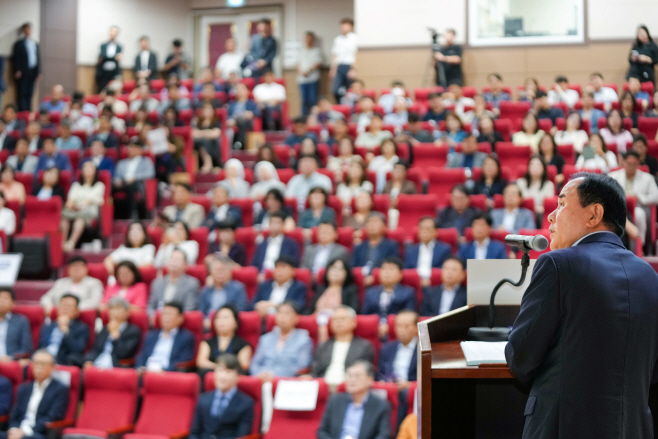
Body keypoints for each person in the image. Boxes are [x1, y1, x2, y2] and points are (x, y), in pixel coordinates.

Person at [508, 173, 658, 438]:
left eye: (562, 204)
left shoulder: (557, 264)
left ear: (594, 214)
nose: (551, 216)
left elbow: (521, 358)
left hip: (562, 428)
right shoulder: (649, 276)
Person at [3, 350, 69, 439]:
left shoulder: (60, 389)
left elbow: (52, 417)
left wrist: (24, 432)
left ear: (53, 367)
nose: (39, 367)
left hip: (38, 433)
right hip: (17, 431)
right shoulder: (24, 388)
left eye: (44, 364)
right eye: (36, 363)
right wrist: (14, 429)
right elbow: (15, 415)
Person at [317, 361, 392, 439]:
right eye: (349, 376)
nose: (352, 380)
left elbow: (384, 435)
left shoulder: (381, 406)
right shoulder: (335, 401)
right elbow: (322, 431)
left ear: (370, 380)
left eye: (357, 376)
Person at [190, 354, 255, 439]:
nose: (222, 376)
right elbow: (194, 432)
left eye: (228, 371)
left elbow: (241, 435)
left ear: (238, 377)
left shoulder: (246, 403)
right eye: (220, 370)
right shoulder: (203, 399)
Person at [309, 305, 374, 386]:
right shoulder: (323, 346)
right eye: (335, 319)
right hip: (323, 386)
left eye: (343, 319)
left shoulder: (364, 346)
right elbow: (315, 371)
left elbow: (364, 372)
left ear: (354, 322)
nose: (338, 322)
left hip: (349, 386)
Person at [249, 301, 313, 379]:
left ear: (296, 318)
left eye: (287, 313)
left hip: (286, 381)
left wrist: (273, 375)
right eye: (279, 312)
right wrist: (259, 374)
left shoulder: (304, 341)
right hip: (261, 379)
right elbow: (255, 363)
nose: (282, 316)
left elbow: (301, 366)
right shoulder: (265, 339)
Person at [610, 150, 658, 245]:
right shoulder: (613, 177)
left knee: (639, 214)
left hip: (639, 206)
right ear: (623, 162)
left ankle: (640, 244)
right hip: (619, 208)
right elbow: (608, 195)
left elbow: (656, 197)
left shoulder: (648, 178)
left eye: (634, 164)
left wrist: (639, 198)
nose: (631, 166)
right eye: (629, 163)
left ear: (639, 164)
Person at [362, 257, 416, 337]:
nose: (386, 272)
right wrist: (376, 326)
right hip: (375, 331)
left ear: (400, 274)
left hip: (398, 331)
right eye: (383, 269)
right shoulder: (370, 292)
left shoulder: (408, 292)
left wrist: (390, 326)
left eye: (391, 269)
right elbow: (366, 316)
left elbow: (409, 316)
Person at [83, 297, 141, 368]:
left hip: (115, 365)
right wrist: (89, 360)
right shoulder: (104, 329)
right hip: (97, 362)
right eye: (111, 309)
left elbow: (123, 353)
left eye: (118, 308)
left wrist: (115, 335)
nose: (114, 312)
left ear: (127, 313)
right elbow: (95, 349)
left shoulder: (133, 331)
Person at [136, 302, 195, 372]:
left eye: (170, 314)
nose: (166, 317)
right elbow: (142, 357)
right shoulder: (151, 336)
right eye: (164, 314)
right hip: (146, 373)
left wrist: (163, 370)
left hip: (168, 374)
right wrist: (139, 368)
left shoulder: (186, 337)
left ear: (180, 318)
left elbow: (183, 362)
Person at [60, 162, 105, 252]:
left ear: (95, 171)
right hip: (74, 210)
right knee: (64, 218)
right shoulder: (76, 185)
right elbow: (70, 201)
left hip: (88, 212)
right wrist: (72, 205)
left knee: (80, 219)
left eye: (90, 167)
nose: (87, 169)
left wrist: (79, 206)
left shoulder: (99, 185)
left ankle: (71, 243)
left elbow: (92, 201)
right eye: (85, 167)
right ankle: (62, 243)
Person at [196, 306, 252, 373]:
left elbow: (243, 365)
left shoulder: (243, 345)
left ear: (236, 322)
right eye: (218, 318)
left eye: (226, 318)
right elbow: (201, 362)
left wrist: (223, 369)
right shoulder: (207, 342)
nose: (221, 321)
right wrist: (219, 368)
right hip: (210, 376)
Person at [38, 294, 90, 365]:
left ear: (77, 311)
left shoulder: (82, 328)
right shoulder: (48, 326)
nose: (65, 308)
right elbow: (41, 345)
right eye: (63, 305)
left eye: (69, 306)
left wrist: (65, 330)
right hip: (43, 358)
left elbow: (77, 350)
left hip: (63, 361)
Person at [112, 139, 155, 219]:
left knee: (130, 186)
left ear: (140, 150)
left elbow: (150, 173)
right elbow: (116, 175)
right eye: (130, 148)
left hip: (136, 183)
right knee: (110, 186)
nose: (131, 150)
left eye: (134, 148)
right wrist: (117, 180)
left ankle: (132, 214)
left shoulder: (146, 161)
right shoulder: (122, 163)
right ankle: (111, 214)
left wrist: (135, 177)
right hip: (122, 182)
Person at [149, 248, 200, 315]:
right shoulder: (157, 283)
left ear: (185, 265)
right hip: (158, 321)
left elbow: (189, 309)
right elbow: (150, 307)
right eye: (172, 258)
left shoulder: (192, 284)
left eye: (178, 259)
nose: (174, 261)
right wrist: (154, 316)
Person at [404, 216, 452, 284]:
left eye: (428, 229)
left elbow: (444, 269)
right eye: (422, 229)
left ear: (435, 232)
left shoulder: (444, 249)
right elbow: (407, 270)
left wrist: (430, 280)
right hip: (415, 283)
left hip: (434, 283)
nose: (424, 232)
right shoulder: (411, 250)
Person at [351, 212, 400, 278]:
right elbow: (353, 268)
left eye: (375, 222)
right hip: (360, 280)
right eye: (369, 222)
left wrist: (374, 277)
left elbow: (392, 267)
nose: (372, 225)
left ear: (384, 226)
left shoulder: (391, 246)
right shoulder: (359, 247)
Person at [199, 256, 248, 321]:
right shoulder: (206, 290)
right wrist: (205, 320)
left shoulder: (238, 288)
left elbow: (240, 311)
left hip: (229, 322)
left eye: (223, 269)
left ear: (230, 272)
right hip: (208, 323)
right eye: (217, 270)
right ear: (211, 272)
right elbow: (201, 312)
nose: (220, 273)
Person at [11, 23, 41, 112]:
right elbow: (16, 58)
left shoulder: (35, 43)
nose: (28, 31)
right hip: (23, 72)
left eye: (29, 29)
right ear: (23, 30)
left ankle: (28, 111)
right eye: (26, 29)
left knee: (30, 93)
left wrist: (39, 71)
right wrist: (17, 70)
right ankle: (22, 111)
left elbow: (38, 58)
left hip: (32, 72)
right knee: (22, 92)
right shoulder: (19, 43)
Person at [0, 287, 33, 361]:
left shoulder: (21, 321)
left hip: (10, 362)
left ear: (13, 304)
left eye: (5, 298)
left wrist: (11, 357)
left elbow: (26, 349)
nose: (1, 301)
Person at [330, 18, 358, 104]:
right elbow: (335, 55)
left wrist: (353, 69)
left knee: (349, 91)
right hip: (339, 66)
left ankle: (350, 110)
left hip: (349, 65)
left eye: (346, 25)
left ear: (351, 26)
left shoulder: (355, 38)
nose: (343, 27)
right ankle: (340, 107)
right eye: (342, 25)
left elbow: (356, 54)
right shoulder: (338, 39)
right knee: (335, 90)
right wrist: (333, 69)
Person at [226, 83, 259, 150]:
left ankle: (239, 144)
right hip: (233, 121)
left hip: (246, 120)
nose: (239, 91)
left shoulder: (251, 103)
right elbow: (228, 115)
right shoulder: (232, 104)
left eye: (241, 89)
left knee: (243, 121)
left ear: (246, 91)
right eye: (238, 89)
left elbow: (258, 112)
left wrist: (251, 113)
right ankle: (228, 147)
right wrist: (229, 120)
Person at [297, 31, 323, 116]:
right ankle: (303, 119)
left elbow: (318, 63)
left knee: (313, 99)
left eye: (310, 39)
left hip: (313, 79)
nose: (308, 40)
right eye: (307, 38)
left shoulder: (316, 50)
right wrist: (302, 71)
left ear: (313, 40)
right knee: (304, 100)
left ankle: (314, 117)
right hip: (302, 79)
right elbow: (296, 63)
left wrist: (309, 71)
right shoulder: (300, 51)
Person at [192, 102, 222, 172]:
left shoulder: (216, 122)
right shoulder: (197, 122)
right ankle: (205, 163)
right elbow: (193, 134)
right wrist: (207, 133)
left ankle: (208, 163)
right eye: (205, 109)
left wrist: (201, 133)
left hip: (213, 146)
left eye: (209, 109)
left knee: (205, 141)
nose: (207, 111)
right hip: (199, 146)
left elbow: (216, 134)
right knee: (201, 141)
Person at [95, 26, 122, 92]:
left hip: (114, 72)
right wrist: (114, 58)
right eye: (112, 31)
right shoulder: (103, 45)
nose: (113, 33)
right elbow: (102, 56)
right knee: (102, 90)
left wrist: (107, 58)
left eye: (115, 32)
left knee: (113, 90)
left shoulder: (119, 46)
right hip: (103, 72)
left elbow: (117, 59)